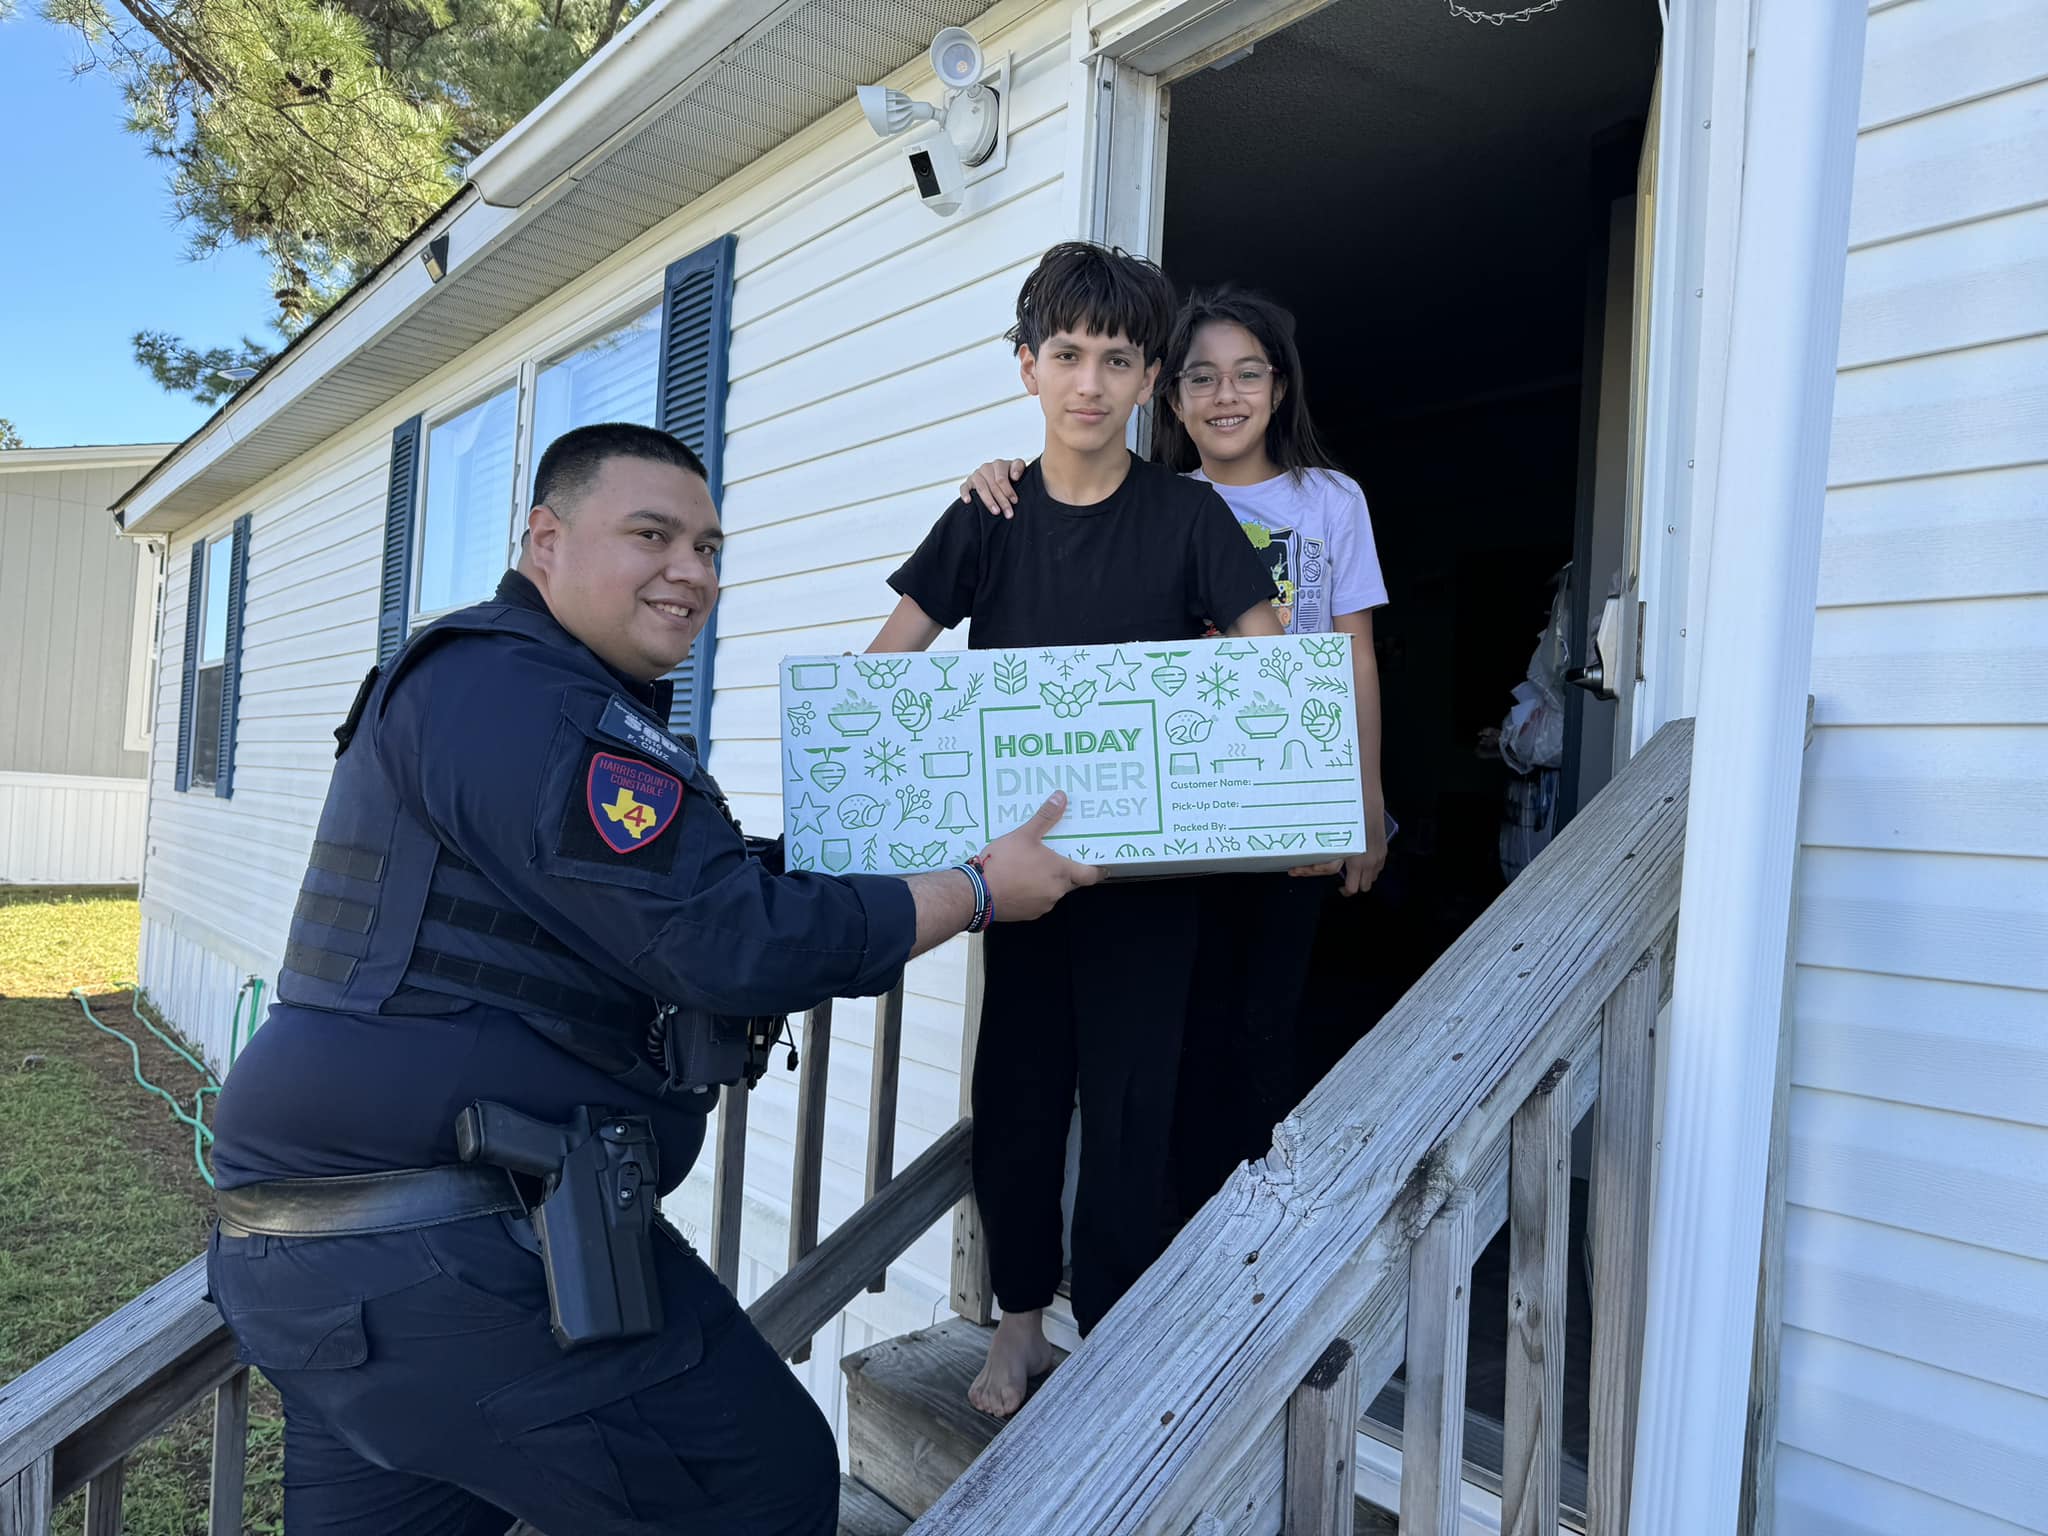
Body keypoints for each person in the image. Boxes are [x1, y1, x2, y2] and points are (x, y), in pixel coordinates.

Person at [204, 422, 1100, 1536]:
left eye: (710, 548)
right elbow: (723, 940)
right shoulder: (520, 692)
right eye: (652, 535)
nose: (692, 570)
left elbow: (684, 897)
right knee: (759, 1489)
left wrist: (902, 864)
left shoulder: (519, 694)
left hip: (350, 1258)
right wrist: (970, 889)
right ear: (545, 539)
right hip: (450, 1247)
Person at [867, 244, 1284, 1418]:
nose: (1088, 383)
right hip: (1016, 877)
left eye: (1114, 358)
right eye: (1065, 355)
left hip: (1149, 880)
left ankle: (1106, 1325)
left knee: (1133, 1099)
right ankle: (1015, 1326)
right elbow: (883, 676)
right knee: (1018, 1090)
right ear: (1025, 368)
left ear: (1149, 376)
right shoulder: (985, 518)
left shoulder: (1193, 520)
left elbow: (1271, 683)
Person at [957, 286, 1390, 1234]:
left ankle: (1237, 1252)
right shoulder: (1157, 500)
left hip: (1284, 802)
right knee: (1163, 1042)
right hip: (1170, 816)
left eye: (1247, 374)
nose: (1224, 395)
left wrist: (1361, 801)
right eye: (1202, 376)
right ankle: (1159, 1258)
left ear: (1279, 388)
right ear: (1170, 394)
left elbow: (1349, 654)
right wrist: (1000, 476)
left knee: (1259, 1033)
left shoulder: (1329, 500)